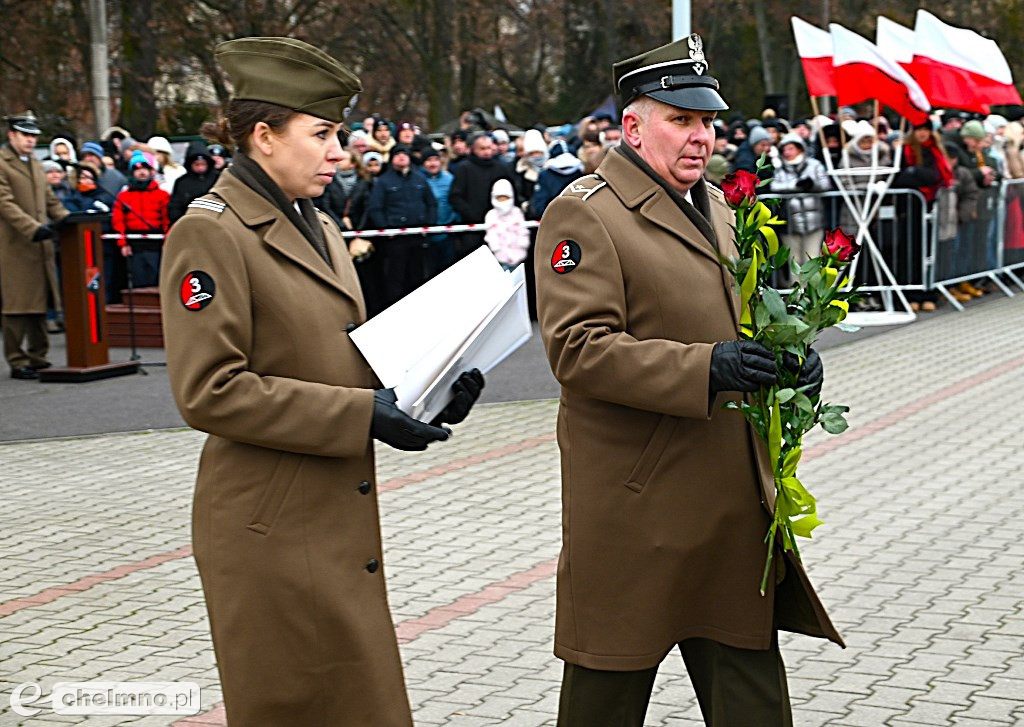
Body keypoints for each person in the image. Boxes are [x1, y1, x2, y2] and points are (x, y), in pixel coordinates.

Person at [159, 37, 483, 727]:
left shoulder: (317, 220)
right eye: (324, 134)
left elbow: (341, 355)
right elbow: (209, 389)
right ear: (263, 135)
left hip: (326, 517)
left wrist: (429, 384)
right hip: (269, 529)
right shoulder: (212, 232)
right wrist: (362, 414)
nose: (341, 151)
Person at [533, 35, 842, 727]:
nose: (701, 136)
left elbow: (732, 319)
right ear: (633, 125)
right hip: (638, 511)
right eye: (681, 119)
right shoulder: (586, 211)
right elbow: (578, 349)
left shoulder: (719, 206)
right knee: (604, 700)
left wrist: (785, 360)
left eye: (706, 121)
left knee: (754, 700)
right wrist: (706, 366)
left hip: (729, 505)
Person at [0, 112, 68, 379]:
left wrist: (67, 219)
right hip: (14, 245)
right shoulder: (2, 164)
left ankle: (39, 356)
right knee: (17, 306)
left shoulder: (37, 165)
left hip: (41, 245)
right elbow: (5, 203)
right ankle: (17, 361)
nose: (30, 141)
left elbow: (50, 199)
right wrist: (32, 228)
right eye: (25, 136)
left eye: (33, 137)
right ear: (11, 136)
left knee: (41, 303)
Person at [367, 144, 437, 305]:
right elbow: (375, 208)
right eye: (397, 154)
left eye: (404, 154)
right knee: (395, 279)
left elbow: (431, 204)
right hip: (395, 239)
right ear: (391, 159)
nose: (401, 157)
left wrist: (429, 225)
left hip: (418, 237)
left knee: (418, 277)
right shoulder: (384, 181)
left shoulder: (419, 178)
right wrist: (386, 228)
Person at [770, 132, 831, 274]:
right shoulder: (780, 169)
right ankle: (796, 295)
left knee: (812, 259)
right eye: (784, 150)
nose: (787, 152)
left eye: (790, 148)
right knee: (794, 262)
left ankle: (813, 295)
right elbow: (775, 187)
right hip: (791, 224)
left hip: (814, 223)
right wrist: (796, 185)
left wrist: (812, 185)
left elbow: (826, 184)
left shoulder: (814, 165)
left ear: (800, 149)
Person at [448, 132, 515, 260]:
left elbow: (512, 192)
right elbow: (455, 197)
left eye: (489, 148)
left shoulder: (501, 168)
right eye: (482, 148)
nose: (486, 152)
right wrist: (472, 215)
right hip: (472, 229)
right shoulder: (464, 168)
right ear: (473, 149)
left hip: (498, 227)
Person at [112, 151, 170, 289]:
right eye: (136, 169)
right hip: (134, 245)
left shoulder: (162, 195)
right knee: (138, 281)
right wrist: (122, 243)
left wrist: (167, 241)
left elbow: (167, 220)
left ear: (151, 171)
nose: (141, 172)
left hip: (156, 244)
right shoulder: (124, 197)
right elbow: (118, 221)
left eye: (144, 168)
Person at [168, 141, 219, 224]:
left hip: (216, 222)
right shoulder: (182, 182)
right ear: (190, 164)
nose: (200, 167)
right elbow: (175, 207)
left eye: (203, 164)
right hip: (189, 224)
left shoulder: (218, 178)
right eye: (197, 164)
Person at [484, 178, 529, 270]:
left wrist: (521, 246)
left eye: (506, 198)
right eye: (499, 198)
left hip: (519, 256)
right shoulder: (491, 215)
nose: (503, 201)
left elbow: (522, 232)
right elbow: (492, 236)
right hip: (500, 258)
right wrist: (499, 251)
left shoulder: (517, 212)